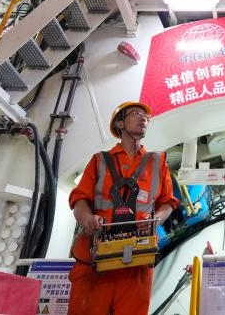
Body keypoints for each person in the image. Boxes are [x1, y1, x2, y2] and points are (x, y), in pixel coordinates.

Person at [68, 101, 179, 315]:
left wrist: (156, 218)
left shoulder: (158, 161)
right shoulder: (99, 161)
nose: (143, 118)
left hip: (136, 259)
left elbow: (168, 201)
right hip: (96, 257)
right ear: (120, 123)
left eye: (146, 116)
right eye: (136, 114)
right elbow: (80, 199)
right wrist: (88, 219)